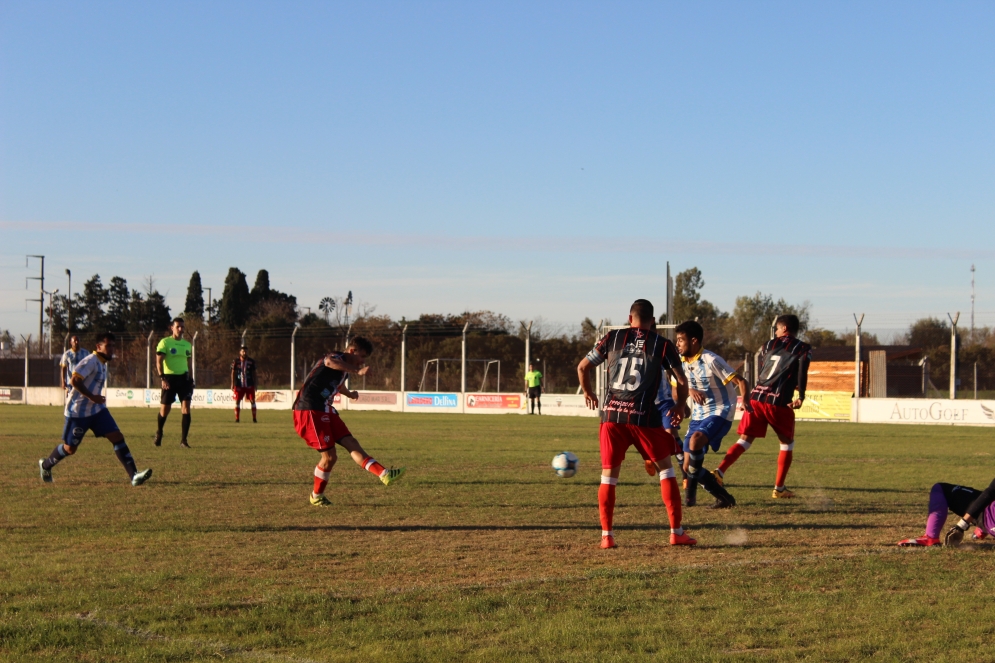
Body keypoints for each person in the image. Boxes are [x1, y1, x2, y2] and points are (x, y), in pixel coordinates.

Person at [577, 299, 696, 549]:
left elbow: (582, 366)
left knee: (608, 477)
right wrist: (679, 406)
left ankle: (607, 537)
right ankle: (676, 532)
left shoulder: (612, 338)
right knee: (666, 470)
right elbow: (682, 381)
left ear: (630, 319)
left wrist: (588, 392)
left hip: (611, 416)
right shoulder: (661, 344)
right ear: (653, 322)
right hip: (643, 417)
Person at [293, 337, 406, 507]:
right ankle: (316, 496)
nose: (363, 361)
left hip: (325, 408)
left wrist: (350, 394)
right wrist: (357, 371)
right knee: (330, 457)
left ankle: (384, 474)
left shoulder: (343, 370)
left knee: (351, 442)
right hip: (309, 409)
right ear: (352, 351)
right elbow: (329, 362)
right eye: (362, 356)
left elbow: (337, 385)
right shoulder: (336, 357)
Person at [713, 314, 811, 499]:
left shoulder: (767, 345)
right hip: (779, 401)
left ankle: (719, 472)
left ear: (784, 328)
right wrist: (801, 395)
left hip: (757, 397)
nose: (775, 331)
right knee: (786, 444)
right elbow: (802, 372)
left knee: (745, 440)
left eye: (777, 329)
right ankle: (779, 488)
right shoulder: (803, 348)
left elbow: (764, 369)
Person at [38, 332, 152, 486]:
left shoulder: (102, 363)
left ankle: (134, 476)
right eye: (108, 346)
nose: (112, 349)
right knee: (70, 449)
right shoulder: (91, 361)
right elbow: (74, 380)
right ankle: (45, 465)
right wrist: (93, 397)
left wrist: (95, 400)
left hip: (97, 410)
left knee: (117, 436)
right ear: (98, 347)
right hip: (78, 411)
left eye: (113, 346)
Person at [673, 320, 746, 509]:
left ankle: (690, 495)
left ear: (694, 340)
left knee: (695, 441)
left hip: (721, 411)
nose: (677, 344)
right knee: (687, 466)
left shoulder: (711, 360)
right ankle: (725, 498)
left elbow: (741, 381)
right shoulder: (679, 363)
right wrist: (687, 397)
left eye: (681, 340)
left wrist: (744, 400)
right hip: (699, 415)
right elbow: (677, 389)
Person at [897, 478, 995, 547]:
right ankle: (982, 529)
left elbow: (990, 493)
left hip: (989, 518)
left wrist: (962, 524)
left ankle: (931, 536)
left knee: (940, 489)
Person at [154, 318, 193, 448]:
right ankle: (159, 432)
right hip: (169, 378)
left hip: (184, 379)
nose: (181, 329)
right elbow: (158, 362)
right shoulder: (165, 342)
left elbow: (189, 363)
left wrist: (191, 378)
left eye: (182, 326)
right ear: (172, 327)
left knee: (186, 408)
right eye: (178, 326)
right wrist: (162, 378)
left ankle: (184, 441)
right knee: (165, 410)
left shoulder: (187, 344)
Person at [231, 345, 258, 423]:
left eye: (246, 351)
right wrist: (232, 383)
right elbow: (233, 372)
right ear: (240, 352)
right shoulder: (236, 361)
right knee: (237, 401)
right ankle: (237, 419)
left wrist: (255, 384)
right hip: (239, 384)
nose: (244, 352)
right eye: (243, 351)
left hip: (249, 384)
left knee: (252, 400)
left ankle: (254, 418)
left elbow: (254, 373)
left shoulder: (251, 361)